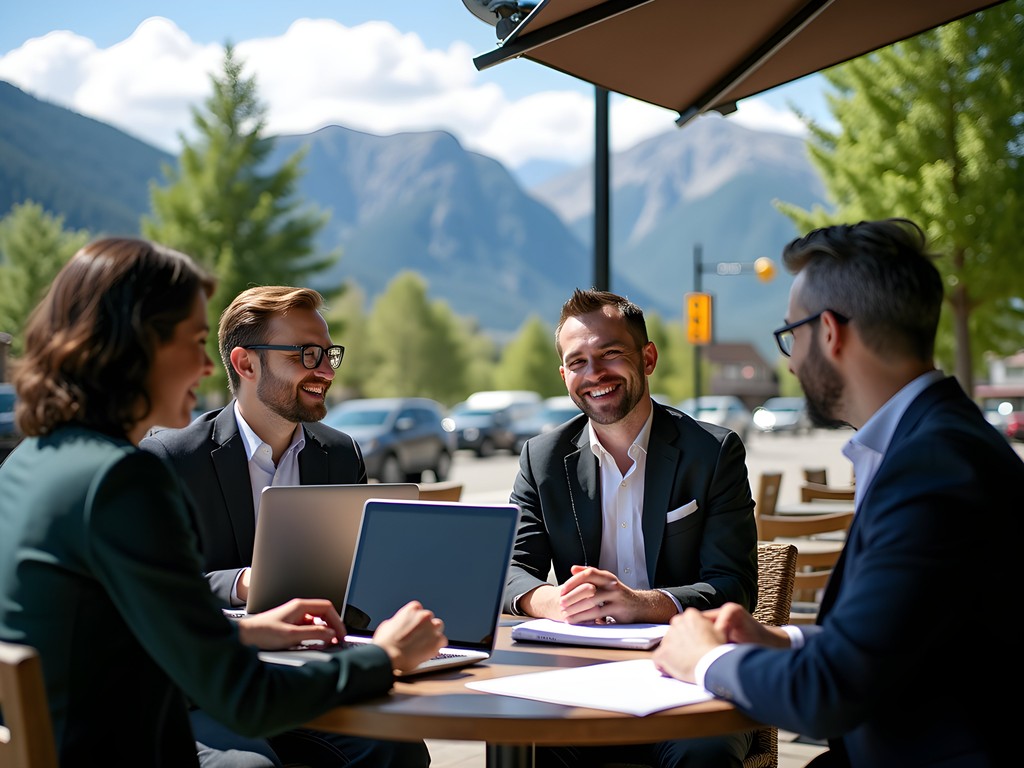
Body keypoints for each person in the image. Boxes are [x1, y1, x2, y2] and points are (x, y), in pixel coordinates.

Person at [0, 238, 447, 767]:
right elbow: (244, 697)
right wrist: (384, 657)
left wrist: (249, 627)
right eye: (191, 340)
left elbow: (122, 619)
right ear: (134, 346)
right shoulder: (124, 479)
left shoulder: (33, 461)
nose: (205, 366)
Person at [652, 218, 1023, 768]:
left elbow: (832, 694)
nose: (791, 360)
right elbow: (903, 641)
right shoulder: (932, 443)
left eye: (790, 337)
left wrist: (704, 661)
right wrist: (785, 643)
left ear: (829, 332)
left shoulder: (933, 469)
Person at [141, 285, 431, 767]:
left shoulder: (340, 453)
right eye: (307, 354)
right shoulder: (172, 459)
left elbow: (365, 572)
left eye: (329, 353)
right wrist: (242, 582)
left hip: (309, 668)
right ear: (246, 363)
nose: (327, 370)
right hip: (209, 683)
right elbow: (156, 593)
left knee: (400, 751)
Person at [505, 287, 759, 767]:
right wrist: (552, 601)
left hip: (691, 675)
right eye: (577, 361)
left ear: (648, 357)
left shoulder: (713, 453)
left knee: (702, 755)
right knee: (525, 745)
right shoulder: (541, 459)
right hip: (579, 677)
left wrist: (640, 604)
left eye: (610, 354)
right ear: (563, 375)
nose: (594, 373)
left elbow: (735, 587)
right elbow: (510, 569)